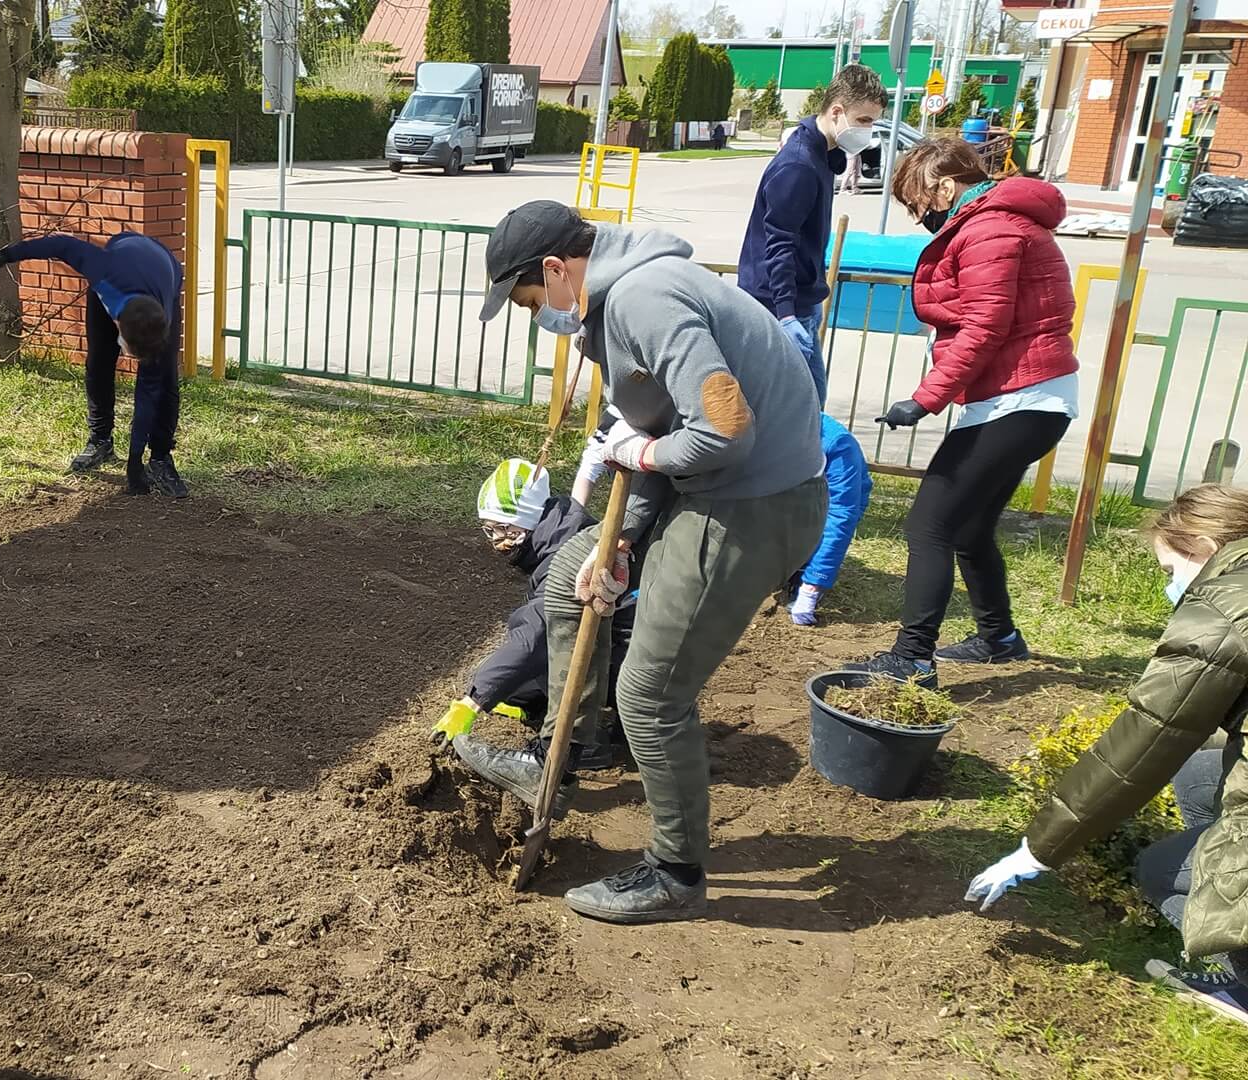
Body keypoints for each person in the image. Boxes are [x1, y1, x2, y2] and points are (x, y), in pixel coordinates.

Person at [455, 201, 826, 924]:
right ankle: (549, 766)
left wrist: (644, 453)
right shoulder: (616, 303)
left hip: (754, 502)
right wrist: (617, 540)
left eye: (533, 301)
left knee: (650, 695)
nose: (542, 318)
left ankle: (675, 874)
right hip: (711, 486)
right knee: (570, 577)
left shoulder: (645, 298)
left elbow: (724, 431)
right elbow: (663, 425)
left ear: (558, 271)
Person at [964, 485, 1248, 1025]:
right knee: (1197, 768)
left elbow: (1148, 737)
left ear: (1206, 548)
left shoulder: (1224, 611)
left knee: (1160, 873)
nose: (1171, 587)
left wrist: (1039, 849)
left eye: (1170, 570)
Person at [848, 137, 1078, 687]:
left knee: (930, 525)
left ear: (947, 186)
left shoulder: (989, 227)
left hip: (1019, 399)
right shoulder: (997, 221)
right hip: (1031, 398)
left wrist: (925, 398)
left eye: (920, 201)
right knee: (971, 528)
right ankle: (999, 638)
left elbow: (986, 325)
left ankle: (912, 657)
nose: (920, 214)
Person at [430, 460, 626, 771]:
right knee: (512, 684)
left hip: (638, 653)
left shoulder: (568, 553)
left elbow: (536, 632)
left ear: (531, 518)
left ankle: (590, 744)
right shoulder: (558, 531)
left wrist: (471, 703)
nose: (497, 540)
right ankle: (543, 707)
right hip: (621, 640)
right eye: (489, 529)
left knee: (563, 651)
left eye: (505, 528)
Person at [0, 229, 187, 498]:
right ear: (119, 325)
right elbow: (62, 245)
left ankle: (160, 458)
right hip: (123, 256)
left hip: (162, 269)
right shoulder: (102, 269)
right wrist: (5, 256)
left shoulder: (161, 321)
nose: (130, 358)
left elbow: (148, 392)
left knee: (164, 379)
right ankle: (101, 441)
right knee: (99, 364)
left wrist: (135, 461)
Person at [738, 64, 889, 404]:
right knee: (794, 411)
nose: (868, 129)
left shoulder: (819, 157)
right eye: (864, 120)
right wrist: (786, 313)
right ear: (837, 112)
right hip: (776, 305)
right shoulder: (799, 165)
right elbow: (779, 243)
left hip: (799, 300)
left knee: (808, 406)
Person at [787, 414, 874, 627]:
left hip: (821, 507)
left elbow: (841, 514)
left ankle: (805, 570)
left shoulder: (836, 444)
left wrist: (813, 584)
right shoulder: (760, 429)